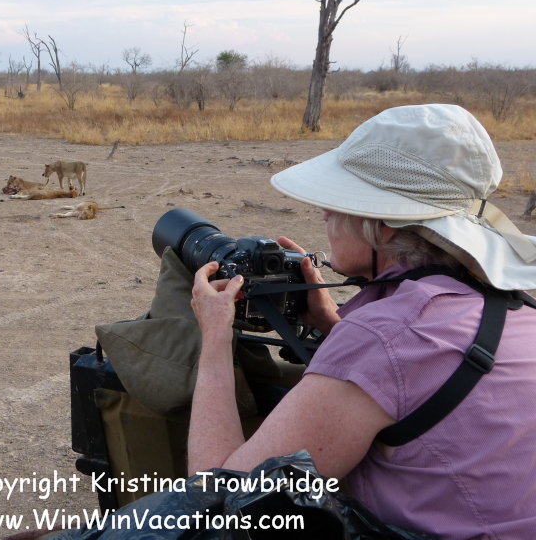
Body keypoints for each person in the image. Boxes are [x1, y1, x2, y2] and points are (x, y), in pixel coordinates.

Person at [188, 104, 536, 539]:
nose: (325, 214)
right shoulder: (513, 303)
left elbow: (217, 502)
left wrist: (214, 335)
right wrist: (332, 321)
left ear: (385, 226)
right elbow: (415, 376)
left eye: (339, 202)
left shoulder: (384, 337)